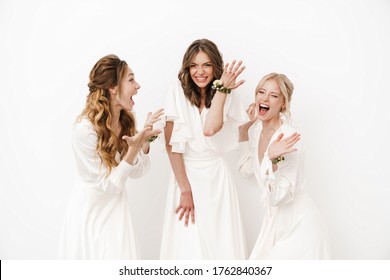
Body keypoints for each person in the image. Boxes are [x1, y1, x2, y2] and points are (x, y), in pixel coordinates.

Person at [58, 54, 163, 259]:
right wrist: (133, 149)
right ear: (113, 87)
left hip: (116, 211)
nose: (138, 85)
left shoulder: (124, 120)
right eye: (131, 80)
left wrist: (144, 141)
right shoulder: (84, 131)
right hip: (90, 214)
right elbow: (109, 185)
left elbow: (137, 171)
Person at [159, 39, 248, 259]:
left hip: (216, 178)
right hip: (185, 174)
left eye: (206, 65)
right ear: (187, 68)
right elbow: (171, 145)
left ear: (215, 67)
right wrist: (185, 188)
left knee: (220, 244)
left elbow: (210, 129)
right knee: (186, 244)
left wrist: (223, 90)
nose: (200, 72)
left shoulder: (226, 93)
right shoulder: (175, 92)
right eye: (194, 66)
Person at [238, 72, 330, 259]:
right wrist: (243, 130)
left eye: (273, 95)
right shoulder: (257, 132)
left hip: (300, 226)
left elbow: (280, 197)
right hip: (275, 225)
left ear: (283, 104)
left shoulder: (289, 138)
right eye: (261, 92)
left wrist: (272, 161)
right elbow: (247, 169)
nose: (264, 98)